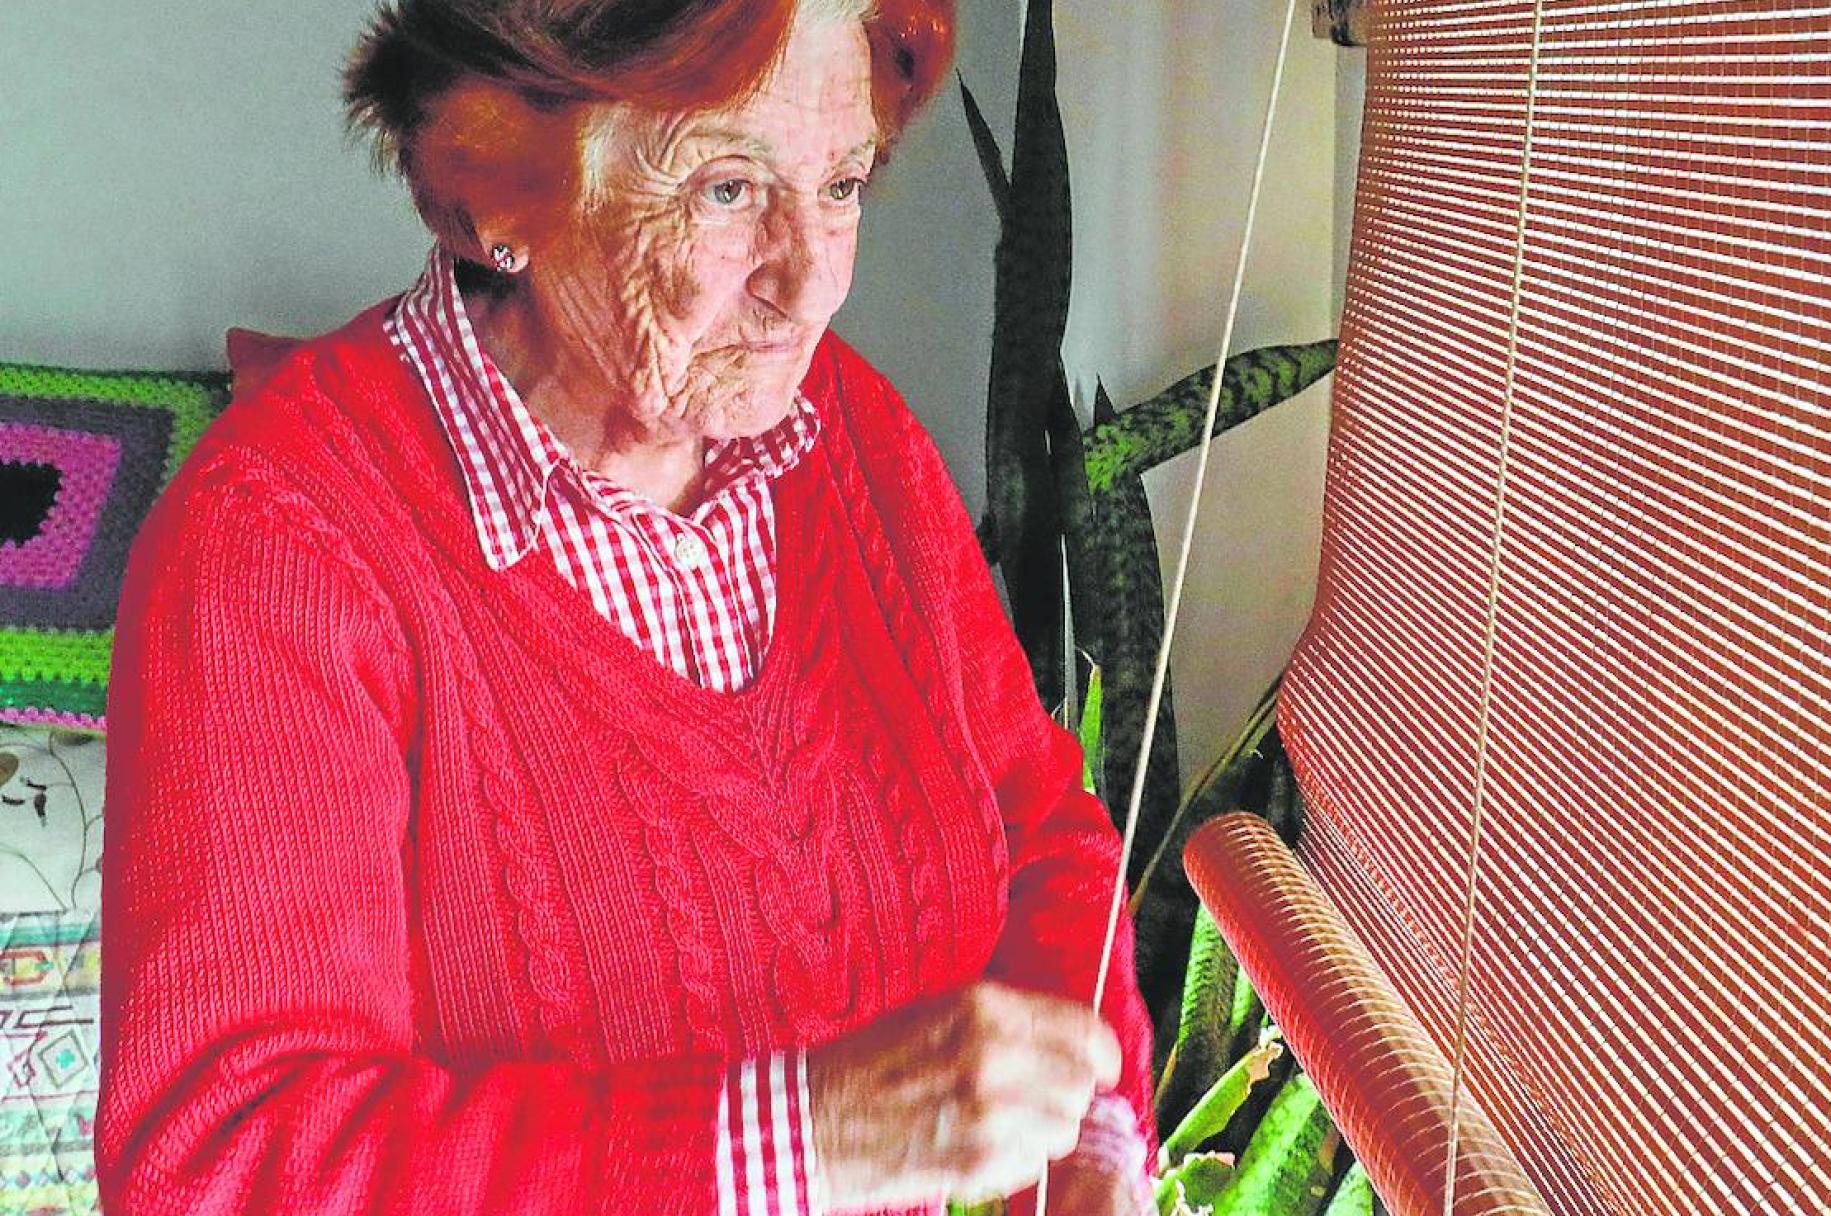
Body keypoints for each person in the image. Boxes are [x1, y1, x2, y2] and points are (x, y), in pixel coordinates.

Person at [96, 1, 1159, 1213]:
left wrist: (1092, 1140)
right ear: (492, 186)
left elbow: (1038, 825)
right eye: (724, 189)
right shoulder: (277, 539)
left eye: (844, 183)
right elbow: (224, 1156)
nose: (808, 285)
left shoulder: (851, 438)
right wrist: (799, 1137)